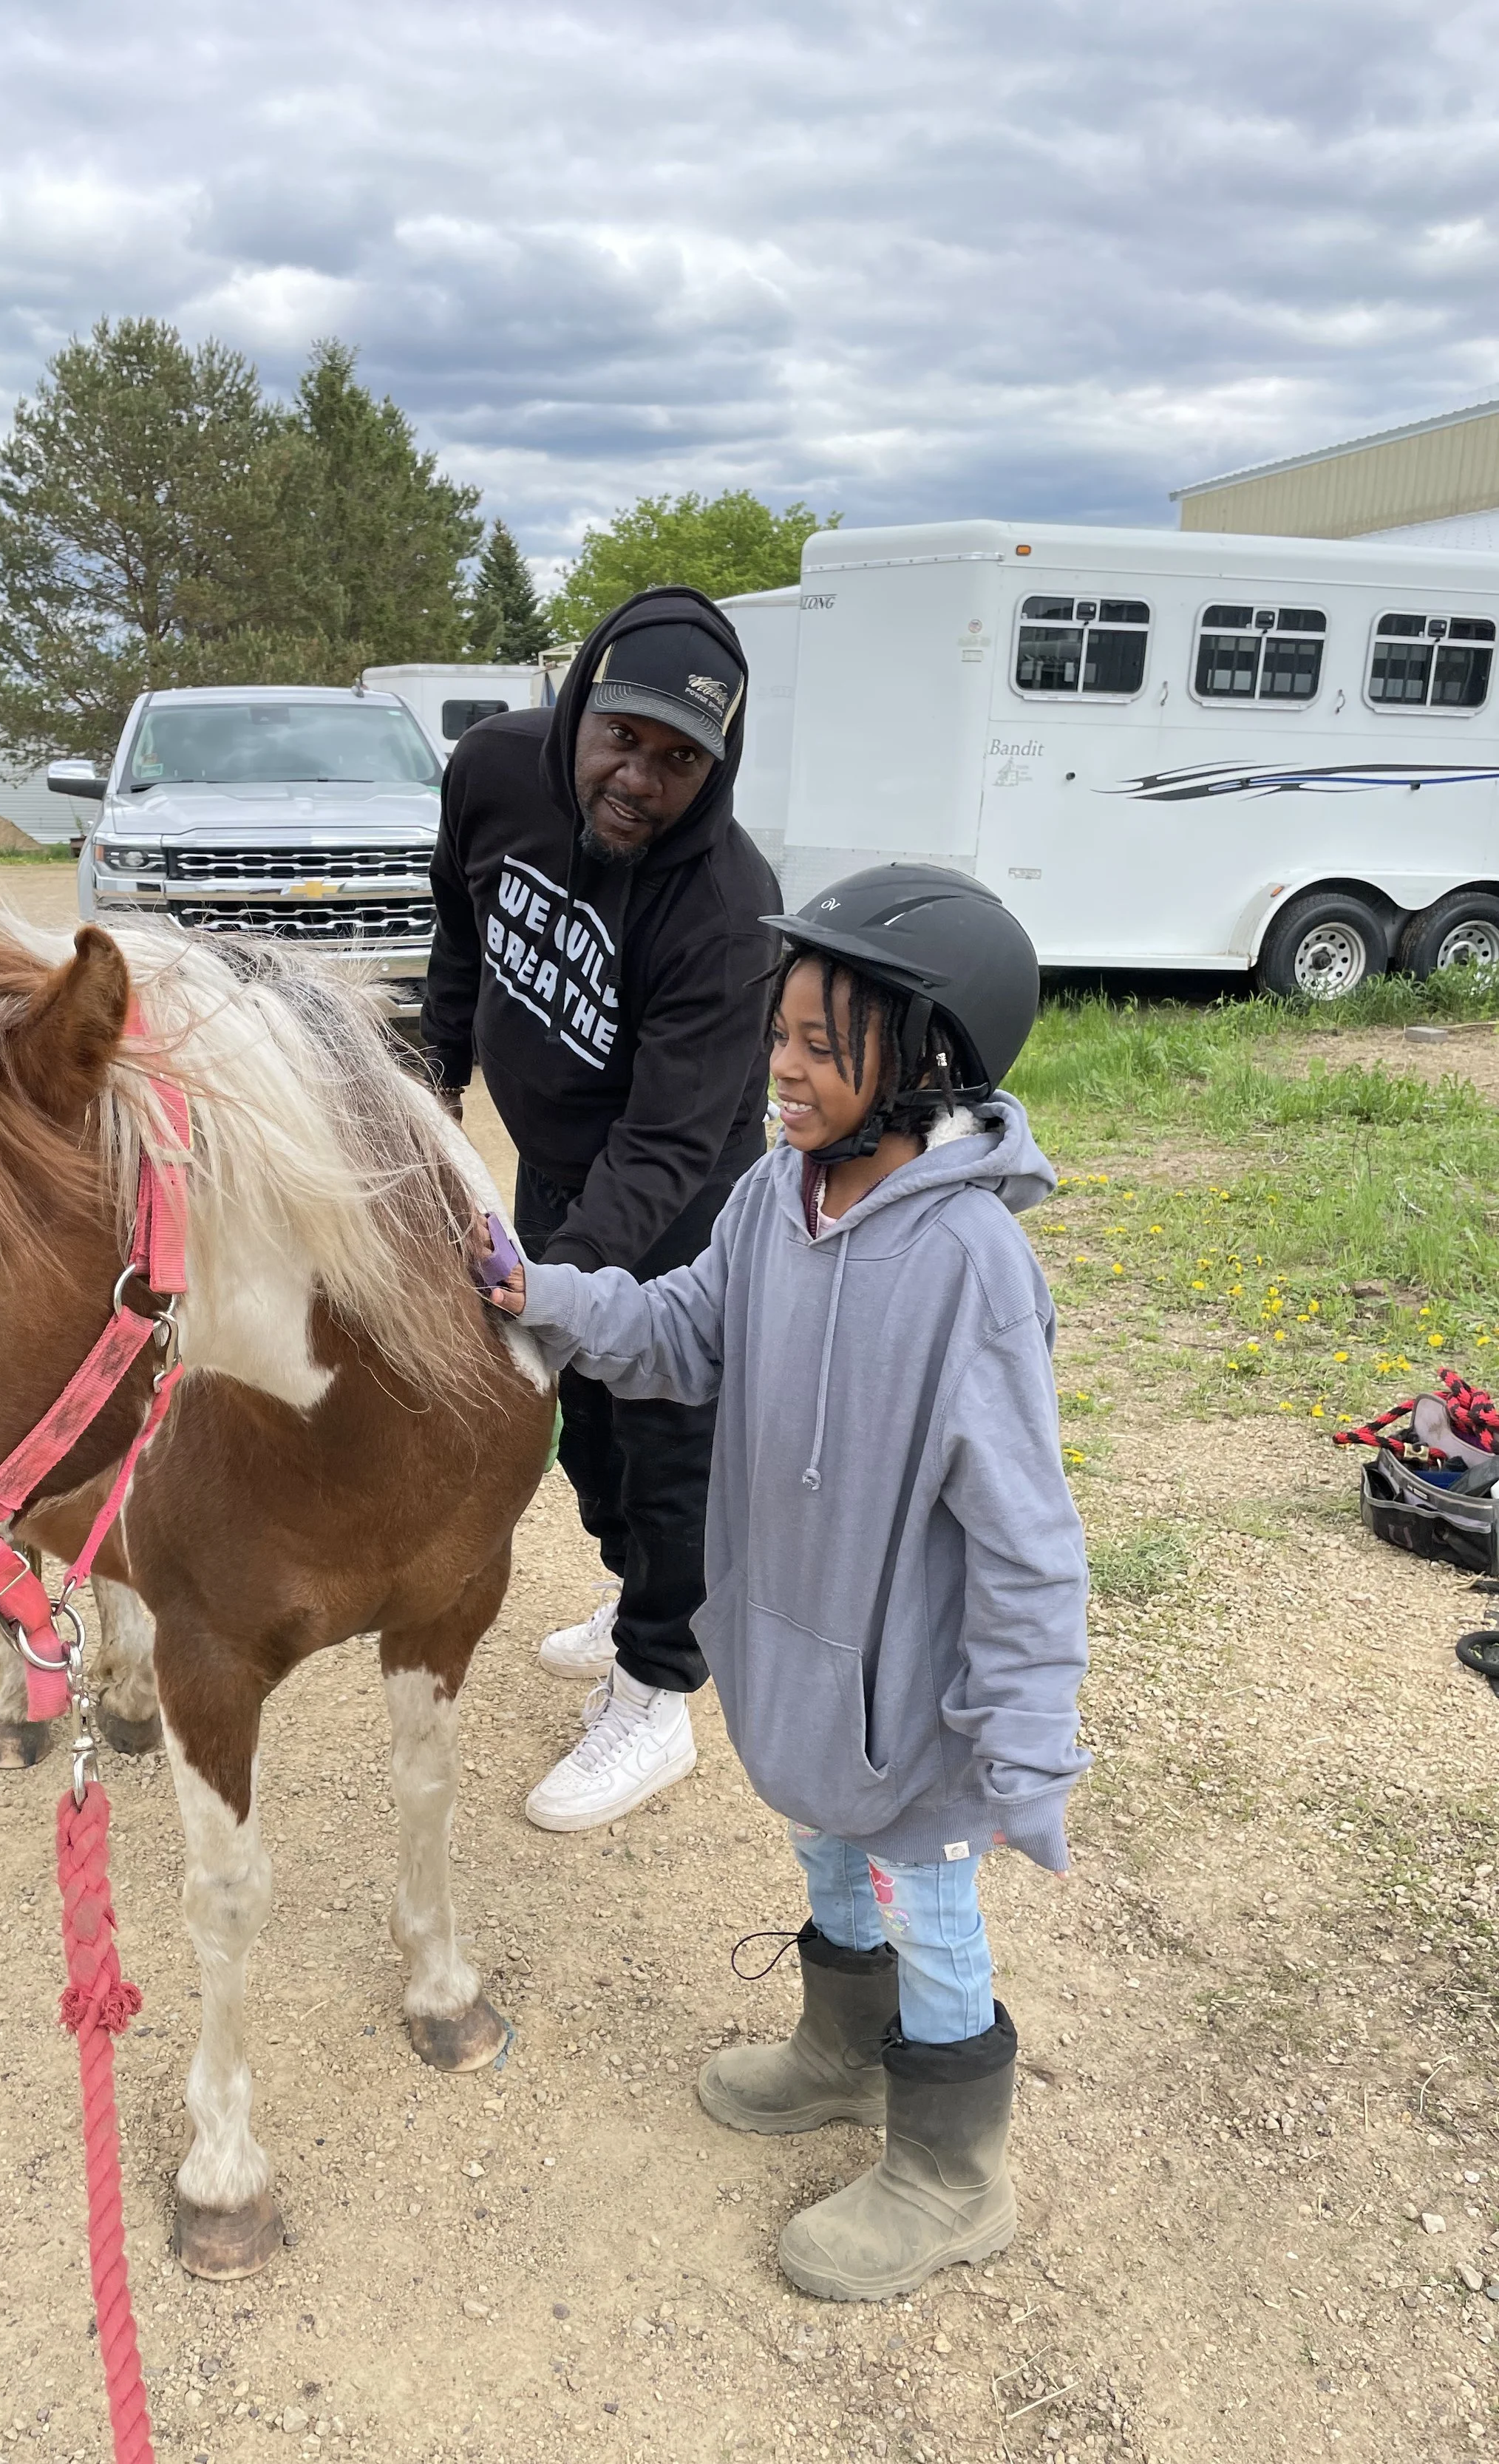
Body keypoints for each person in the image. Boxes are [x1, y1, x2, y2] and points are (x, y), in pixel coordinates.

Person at [477, 863, 1090, 2301]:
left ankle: (952, 2172)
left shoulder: (970, 1265)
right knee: (822, 1846)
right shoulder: (768, 1199)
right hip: (797, 1666)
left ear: (923, 1062)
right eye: (783, 1033)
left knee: (932, 1908)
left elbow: (1023, 1535)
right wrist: (547, 1298)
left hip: (914, 1694)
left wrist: (1022, 1741)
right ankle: (834, 2052)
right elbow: (679, 1331)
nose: (784, 1067)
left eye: (824, 1044)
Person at [422, 586, 778, 1832]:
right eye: (623, 736)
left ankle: (660, 1688)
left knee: (663, 1433)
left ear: (718, 768)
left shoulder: (728, 912)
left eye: (682, 759)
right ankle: (641, 1595)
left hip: (679, 1189)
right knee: (577, 1420)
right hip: (557, 1156)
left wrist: (550, 1285)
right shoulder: (493, 772)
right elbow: (460, 927)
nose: (642, 776)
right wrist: (436, 1090)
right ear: (580, 708)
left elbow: (669, 1144)